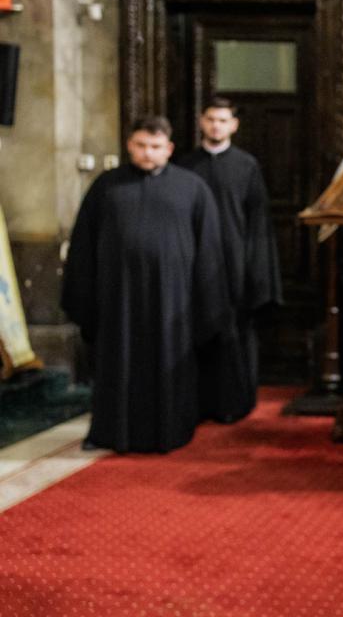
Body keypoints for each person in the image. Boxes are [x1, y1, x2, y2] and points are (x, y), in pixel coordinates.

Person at [61, 116, 230, 453]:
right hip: (118, 299)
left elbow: (209, 250)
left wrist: (207, 304)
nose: (148, 153)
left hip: (173, 301)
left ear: (169, 148)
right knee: (117, 363)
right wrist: (85, 299)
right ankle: (111, 433)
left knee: (169, 364)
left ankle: (170, 431)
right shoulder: (106, 187)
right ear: (129, 145)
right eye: (141, 145)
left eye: (155, 146)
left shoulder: (192, 188)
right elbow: (83, 246)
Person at [177, 98, 282, 423]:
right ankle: (198, 403)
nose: (216, 126)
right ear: (201, 121)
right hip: (195, 263)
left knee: (236, 332)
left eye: (223, 120)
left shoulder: (246, 166)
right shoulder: (185, 166)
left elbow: (257, 221)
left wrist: (255, 270)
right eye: (211, 119)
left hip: (234, 263)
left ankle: (236, 402)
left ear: (234, 125)